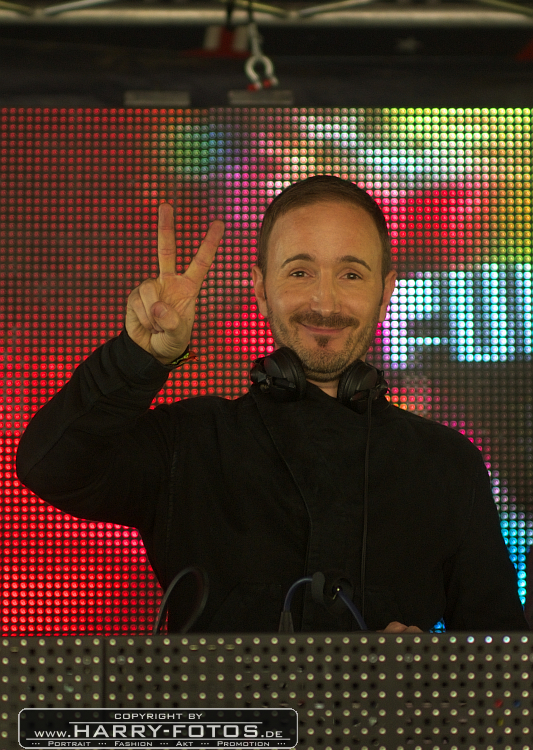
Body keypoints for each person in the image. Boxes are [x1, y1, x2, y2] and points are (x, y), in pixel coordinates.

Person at [16, 176, 528, 633]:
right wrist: (139, 356)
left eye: (351, 275)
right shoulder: (190, 441)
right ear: (260, 290)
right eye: (300, 272)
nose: (325, 303)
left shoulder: (448, 465)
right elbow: (51, 466)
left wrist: (433, 676)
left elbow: (503, 671)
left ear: (385, 293)